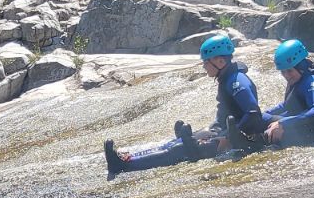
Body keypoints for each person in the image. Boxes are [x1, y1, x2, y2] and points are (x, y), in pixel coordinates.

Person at [103, 33, 270, 176]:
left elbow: (253, 114)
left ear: (220, 62)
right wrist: (213, 132)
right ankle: (128, 157)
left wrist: (228, 138)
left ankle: (124, 166)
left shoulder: (237, 82)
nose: (204, 66)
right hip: (223, 133)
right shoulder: (226, 78)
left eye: (206, 62)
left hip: (239, 139)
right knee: (174, 143)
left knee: (181, 150)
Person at [263, 39, 314, 146]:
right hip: (307, 125)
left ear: (300, 67)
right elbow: (288, 104)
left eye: (289, 71)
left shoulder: (313, 81)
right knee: (262, 118)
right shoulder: (297, 79)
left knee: (274, 127)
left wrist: (283, 123)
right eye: (283, 72)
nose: (286, 75)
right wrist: (267, 113)